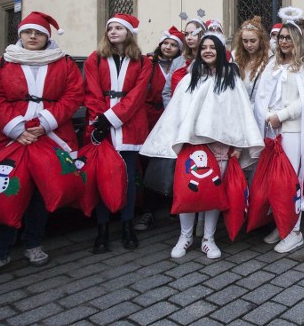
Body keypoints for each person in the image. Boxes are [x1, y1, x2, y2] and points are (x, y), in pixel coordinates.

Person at [0, 12, 83, 283]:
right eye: (28, 32)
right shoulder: (2, 63)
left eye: (39, 33)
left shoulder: (64, 63)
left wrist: (45, 123)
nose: (33, 37)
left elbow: (73, 95)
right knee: (5, 193)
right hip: (10, 136)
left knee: (38, 195)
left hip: (48, 134)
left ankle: (33, 244)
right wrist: (17, 128)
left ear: (47, 37)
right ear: (20, 35)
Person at [141, 34, 263, 259]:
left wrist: (237, 144)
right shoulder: (189, 79)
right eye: (203, 47)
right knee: (188, 191)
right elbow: (176, 112)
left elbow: (238, 113)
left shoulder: (230, 79)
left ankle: (208, 238)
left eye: (212, 47)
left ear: (219, 50)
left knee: (212, 193)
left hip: (220, 147)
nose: (207, 51)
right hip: (191, 146)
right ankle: (185, 236)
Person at [253, 8, 304, 253]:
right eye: (280, 37)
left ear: (297, 40)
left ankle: (294, 231)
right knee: (274, 182)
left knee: (289, 182)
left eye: (288, 37)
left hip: (292, 131)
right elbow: (260, 95)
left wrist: (280, 116)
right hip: (271, 130)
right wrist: (266, 116)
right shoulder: (272, 64)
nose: (283, 41)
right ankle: (280, 224)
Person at [84, 13, 152, 253]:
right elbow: (91, 91)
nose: (112, 32)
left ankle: (127, 226)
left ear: (129, 33)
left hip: (130, 126)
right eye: (109, 28)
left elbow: (136, 96)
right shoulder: (95, 58)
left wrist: (110, 118)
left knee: (129, 181)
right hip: (101, 127)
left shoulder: (144, 62)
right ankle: (102, 229)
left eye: (118, 28)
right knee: (103, 178)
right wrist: (99, 120)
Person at [135, 26, 184, 232]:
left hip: (173, 119)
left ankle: (174, 204)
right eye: (166, 43)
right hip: (150, 118)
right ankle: (148, 210)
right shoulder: (148, 64)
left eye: (173, 45)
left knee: (174, 161)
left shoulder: (182, 65)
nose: (168, 47)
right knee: (151, 164)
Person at [163, 17, 208, 105]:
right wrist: (172, 111)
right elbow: (167, 92)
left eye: (193, 34)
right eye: (186, 34)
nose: (189, 38)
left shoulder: (209, 61)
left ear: (203, 35)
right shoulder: (178, 62)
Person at [233, 16, 271, 97]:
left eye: (253, 41)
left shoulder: (270, 59)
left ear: (261, 40)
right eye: (245, 41)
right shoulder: (235, 58)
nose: (249, 45)